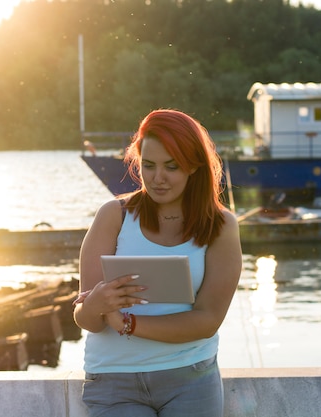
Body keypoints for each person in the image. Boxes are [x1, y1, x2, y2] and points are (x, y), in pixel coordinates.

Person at [73, 109, 242, 417]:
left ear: (193, 166)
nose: (157, 178)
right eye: (148, 165)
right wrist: (94, 305)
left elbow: (207, 321)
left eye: (171, 166)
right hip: (113, 381)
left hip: (190, 379)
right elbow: (87, 320)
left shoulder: (221, 226)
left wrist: (128, 323)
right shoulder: (114, 216)